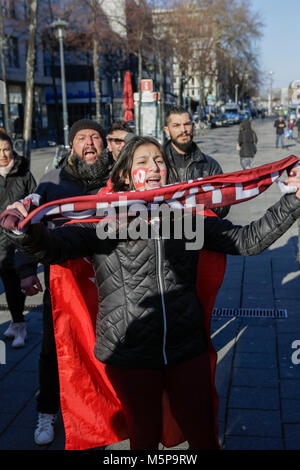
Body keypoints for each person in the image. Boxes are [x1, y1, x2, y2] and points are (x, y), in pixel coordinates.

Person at [2, 135, 300, 450]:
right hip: (128, 351)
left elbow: (247, 240)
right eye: (143, 161)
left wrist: (293, 200)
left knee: (204, 435)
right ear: (124, 175)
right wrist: (24, 231)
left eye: (159, 160)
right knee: (143, 439)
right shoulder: (104, 218)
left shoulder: (188, 216)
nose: (154, 167)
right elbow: (54, 247)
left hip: (186, 347)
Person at [15, 119, 109, 446]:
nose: (89, 142)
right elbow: (30, 223)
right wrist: (26, 270)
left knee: (110, 346)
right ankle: (46, 411)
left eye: (95, 137)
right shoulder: (52, 182)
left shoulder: (116, 179)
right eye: (82, 137)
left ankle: (110, 409)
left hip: (109, 281)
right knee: (54, 350)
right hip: (64, 282)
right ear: (72, 145)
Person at [0, 132, 36, 347]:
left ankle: (20, 326)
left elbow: (34, 200)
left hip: (16, 239)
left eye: (6, 149)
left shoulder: (23, 173)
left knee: (15, 284)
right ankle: (15, 323)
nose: (3, 155)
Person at [163, 105, 229, 218]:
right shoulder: (157, 165)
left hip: (202, 231)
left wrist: (195, 203)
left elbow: (223, 207)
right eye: (176, 126)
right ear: (167, 131)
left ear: (193, 126)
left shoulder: (210, 166)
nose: (183, 130)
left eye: (187, 124)